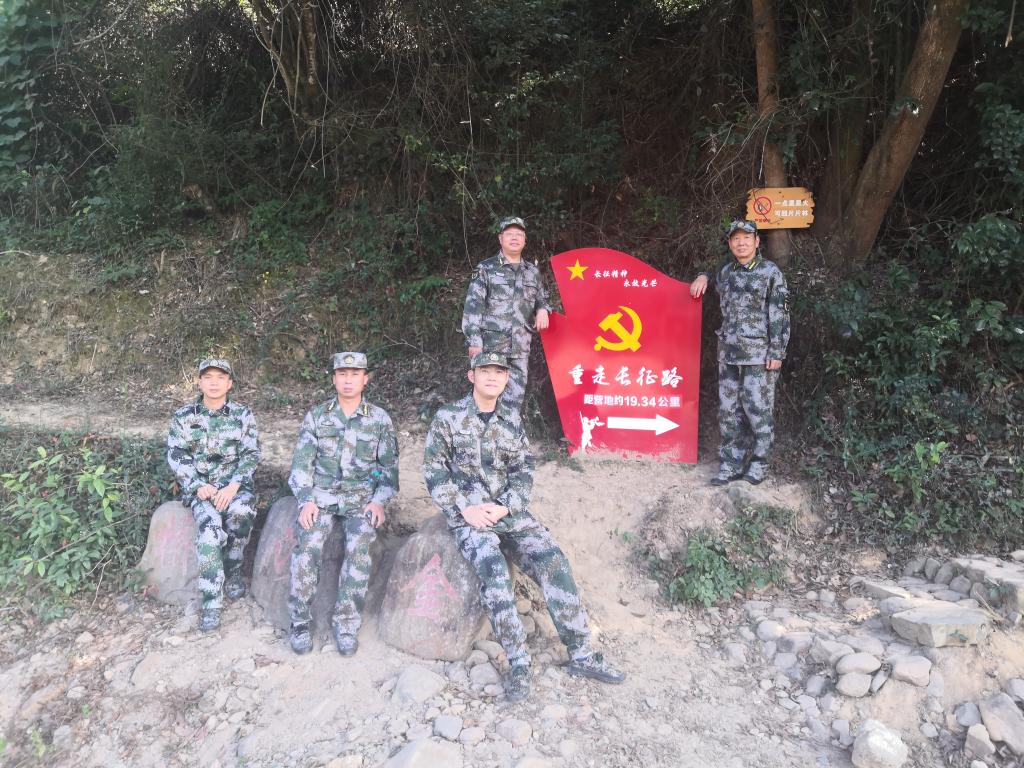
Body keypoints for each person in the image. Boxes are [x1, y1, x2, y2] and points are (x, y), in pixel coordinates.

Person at [423, 351, 625, 702]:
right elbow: (434, 470)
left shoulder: (511, 421)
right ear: (472, 376)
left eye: (499, 372)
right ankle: (518, 662)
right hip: (471, 517)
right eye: (485, 370)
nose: (492, 377)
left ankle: (582, 653)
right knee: (495, 574)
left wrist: (507, 506)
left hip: (509, 514)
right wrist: (464, 508)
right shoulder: (448, 418)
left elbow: (523, 471)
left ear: (506, 379)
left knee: (554, 561)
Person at [287, 352, 399, 656]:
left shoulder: (379, 420)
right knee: (308, 545)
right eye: (342, 374)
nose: (348, 380)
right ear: (334, 379)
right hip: (321, 498)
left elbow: (387, 469)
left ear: (365, 379)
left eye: (355, 374)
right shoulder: (317, 417)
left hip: (360, 500)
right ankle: (299, 622)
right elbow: (301, 466)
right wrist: (306, 500)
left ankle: (346, 624)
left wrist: (379, 501)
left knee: (359, 547)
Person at [689, 220, 791, 485]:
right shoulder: (726, 272)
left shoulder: (770, 272)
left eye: (747, 238)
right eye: (736, 239)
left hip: (759, 355)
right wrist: (703, 276)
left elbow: (779, 314)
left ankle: (759, 464)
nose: (741, 243)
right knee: (729, 411)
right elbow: (711, 277)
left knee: (758, 410)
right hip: (729, 354)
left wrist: (777, 351)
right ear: (730, 244)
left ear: (757, 242)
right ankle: (731, 464)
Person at [167, 359, 261, 632]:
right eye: (208, 377)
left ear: (229, 383)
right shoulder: (184, 416)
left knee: (242, 515)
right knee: (209, 532)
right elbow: (176, 454)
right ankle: (211, 603)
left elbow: (251, 454)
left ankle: (233, 571)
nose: (214, 382)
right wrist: (197, 484)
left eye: (220, 377)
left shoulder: (243, 415)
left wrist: (234, 486)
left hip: (235, 489)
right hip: (202, 492)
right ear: (199, 383)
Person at [461, 216, 551, 420]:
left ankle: (507, 433)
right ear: (500, 238)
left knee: (514, 398)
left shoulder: (532, 272)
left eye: (519, 234)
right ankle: (480, 433)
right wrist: (474, 341)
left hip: (520, 348)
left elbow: (542, 298)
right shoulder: (486, 269)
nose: (514, 238)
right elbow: (473, 306)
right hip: (491, 347)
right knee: (486, 396)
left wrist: (543, 310)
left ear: (525, 240)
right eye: (509, 234)